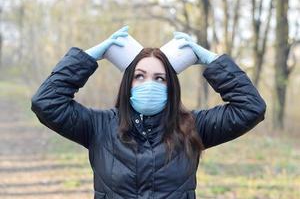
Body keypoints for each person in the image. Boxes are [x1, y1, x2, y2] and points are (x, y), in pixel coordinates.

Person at [31, 26, 266, 199]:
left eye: (159, 78)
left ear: (170, 86)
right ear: (128, 84)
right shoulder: (98, 126)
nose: (149, 84)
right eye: (140, 76)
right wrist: (88, 57)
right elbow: (46, 102)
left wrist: (212, 60)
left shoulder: (192, 127)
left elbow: (250, 108)